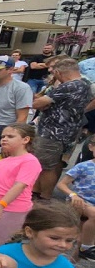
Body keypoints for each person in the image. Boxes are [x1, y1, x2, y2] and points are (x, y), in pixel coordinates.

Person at [31, 58, 89, 198]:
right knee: (54, 163)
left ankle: (44, 195)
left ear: (59, 72)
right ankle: (39, 192)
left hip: (53, 132)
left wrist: (40, 100)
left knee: (45, 166)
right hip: (69, 130)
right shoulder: (85, 85)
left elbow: (38, 103)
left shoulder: (68, 86)